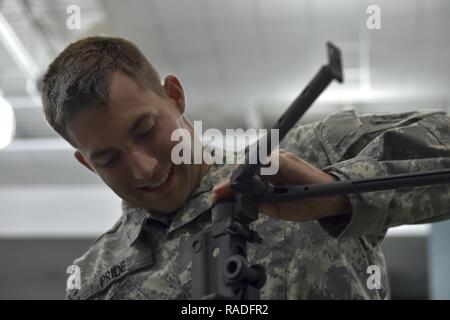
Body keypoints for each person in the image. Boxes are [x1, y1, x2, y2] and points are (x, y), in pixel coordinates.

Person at [41, 36, 450, 300]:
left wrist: (338, 192)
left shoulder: (311, 154)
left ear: (174, 95)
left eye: (146, 129)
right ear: (87, 164)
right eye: (109, 159)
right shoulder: (94, 281)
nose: (144, 168)